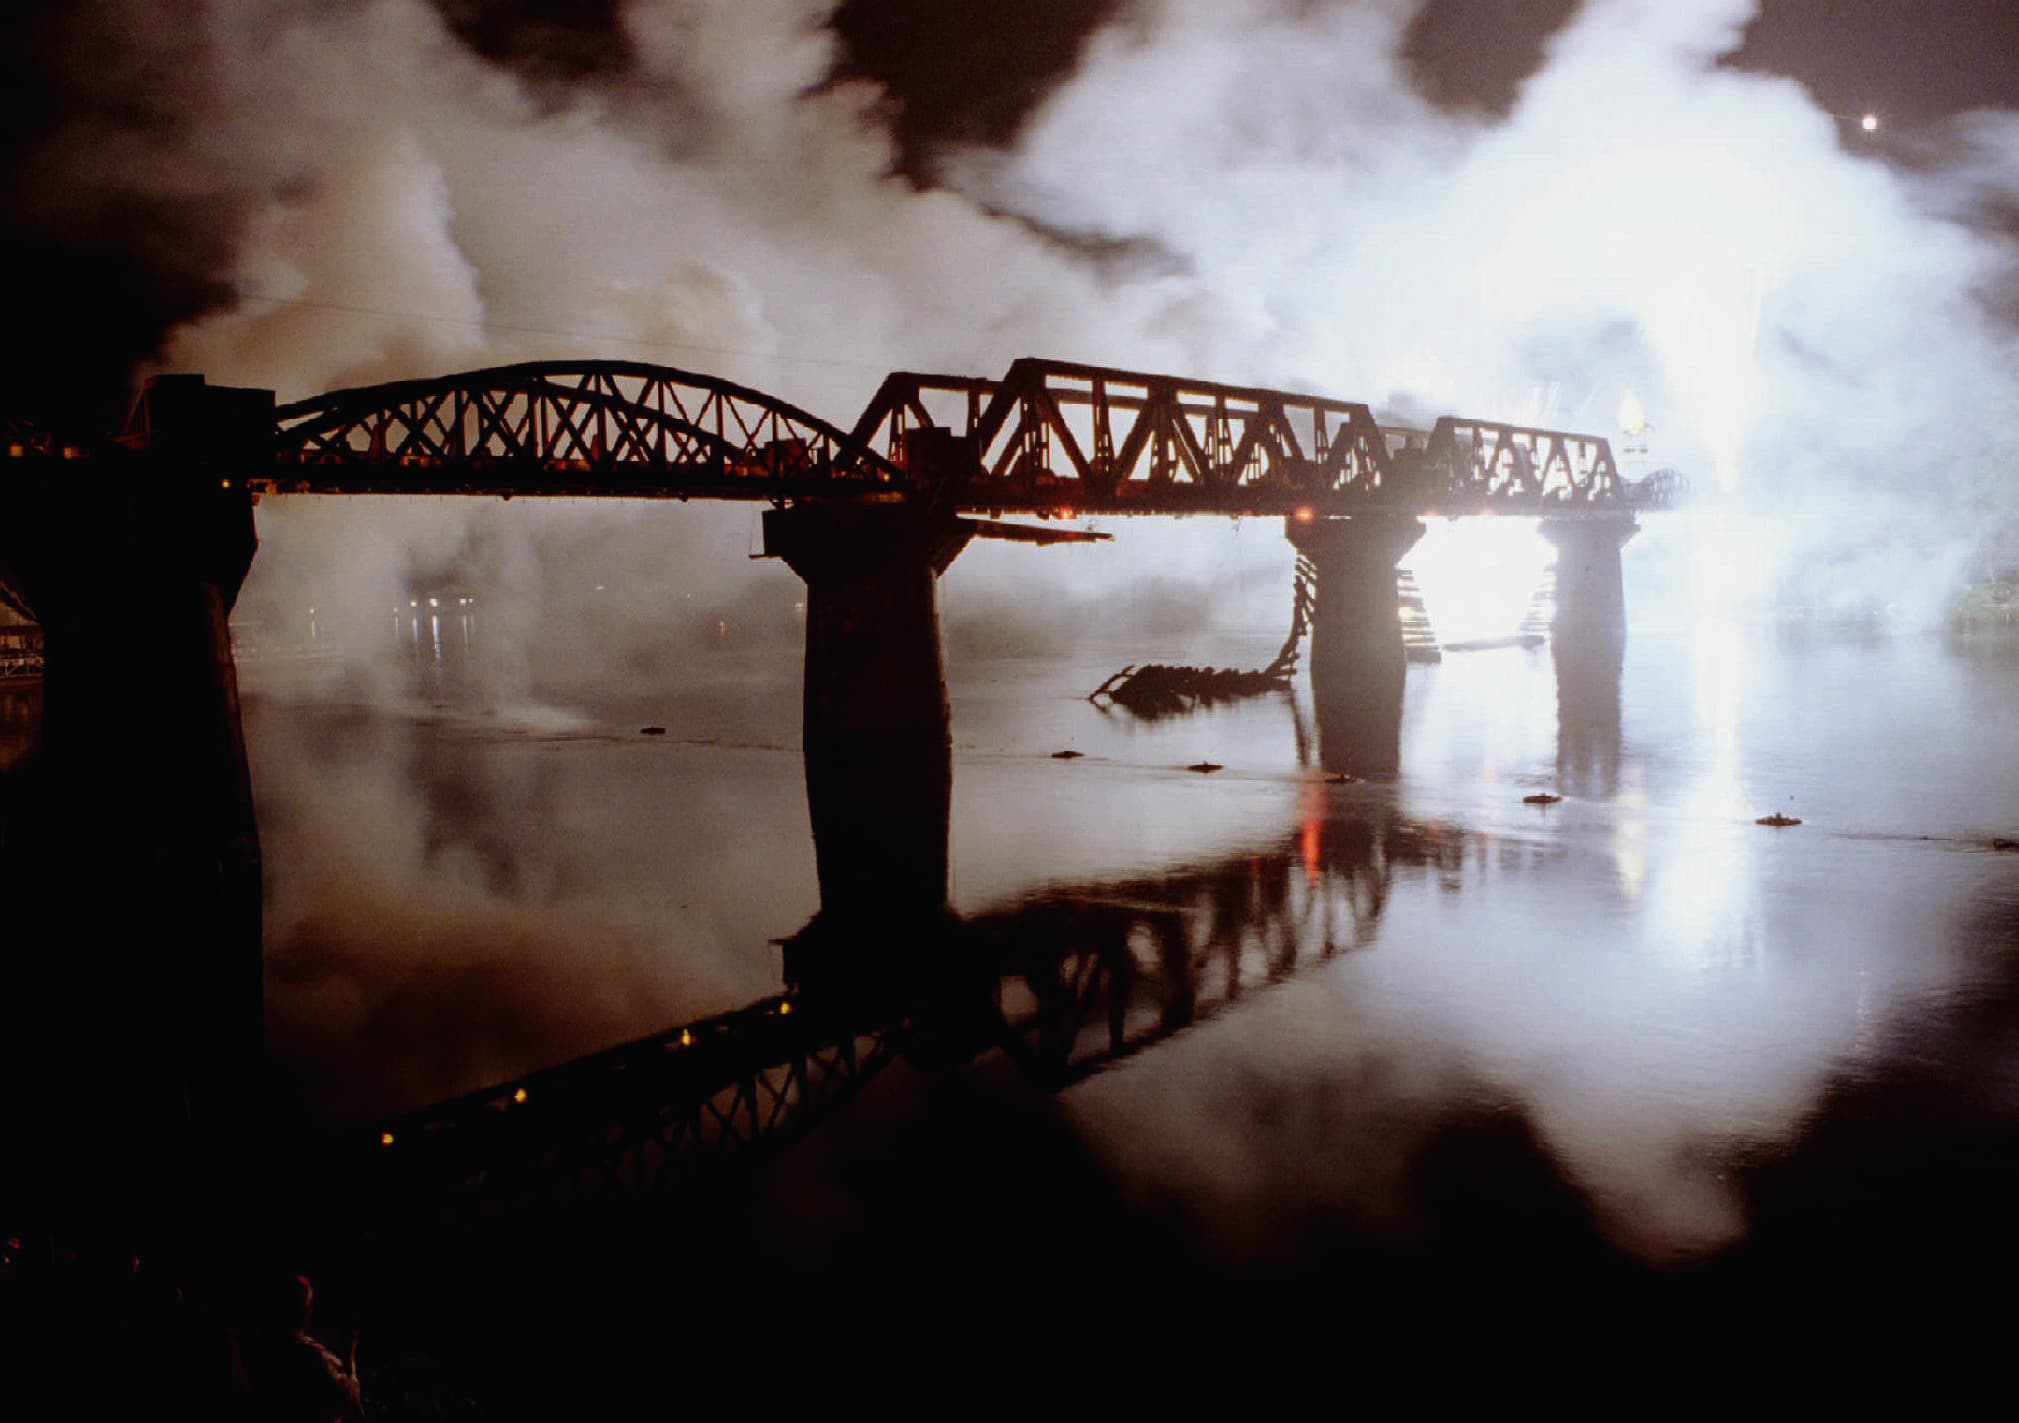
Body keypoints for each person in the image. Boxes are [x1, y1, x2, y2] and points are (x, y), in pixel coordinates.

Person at [236, 1272, 365, 1422]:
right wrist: (350, 1356)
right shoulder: (309, 1356)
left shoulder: (258, 1348)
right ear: (305, 1310)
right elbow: (348, 1400)